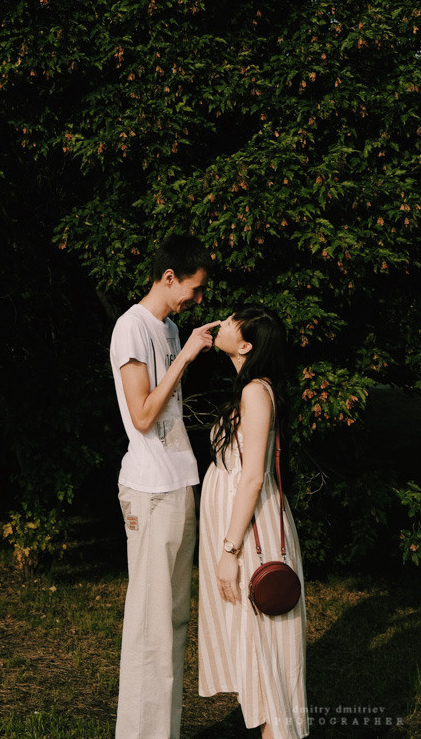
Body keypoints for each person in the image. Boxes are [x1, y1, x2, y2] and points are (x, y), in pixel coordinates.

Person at [110, 233, 219, 739]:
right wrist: (187, 356)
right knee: (149, 627)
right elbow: (144, 415)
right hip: (150, 491)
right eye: (192, 290)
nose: (196, 300)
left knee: (173, 623)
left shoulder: (170, 327)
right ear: (169, 276)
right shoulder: (131, 328)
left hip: (179, 483)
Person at [198, 306, 308, 739]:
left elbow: (253, 477)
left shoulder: (256, 393)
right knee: (256, 652)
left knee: (268, 657)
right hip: (241, 530)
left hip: (252, 536)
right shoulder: (249, 389)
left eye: (230, 321)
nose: (220, 322)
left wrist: (229, 550)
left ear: (245, 345)